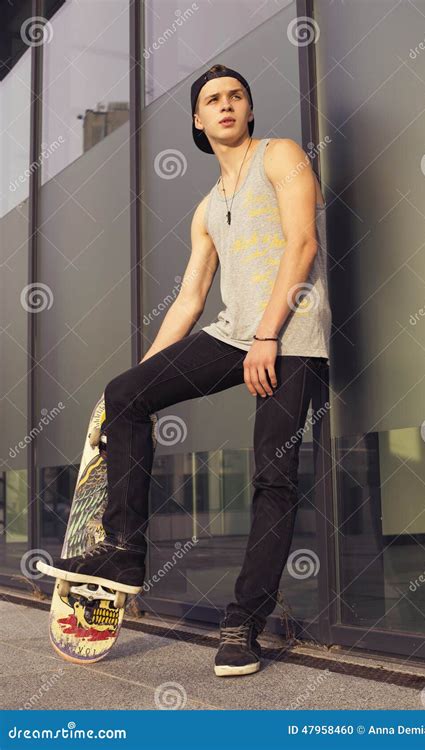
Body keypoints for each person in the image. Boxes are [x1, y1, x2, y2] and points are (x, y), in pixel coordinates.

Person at [37, 64, 332, 677]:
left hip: (291, 336)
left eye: (235, 97)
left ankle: (243, 624)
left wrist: (270, 335)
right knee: (126, 393)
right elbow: (191, 299)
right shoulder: (207, 207)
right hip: (233, 334)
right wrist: (133, 387)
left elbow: (303, 244)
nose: (225, 105)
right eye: (212, 101)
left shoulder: (280, 156)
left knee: (273, 480)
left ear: (248, 110)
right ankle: (122, 551)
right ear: (198, 121)